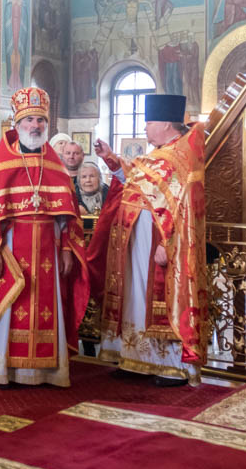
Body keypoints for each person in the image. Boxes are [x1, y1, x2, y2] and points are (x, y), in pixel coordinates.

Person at [0, 87, 88, 386]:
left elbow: (68, 215)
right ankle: (2, 368)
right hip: (10, 248)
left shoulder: (55, 164)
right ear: (17, 126)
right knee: (7, 308)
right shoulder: (0, 164)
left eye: (40, 121)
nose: (35, 126)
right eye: (29, 120)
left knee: (47, 307)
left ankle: (46, 372)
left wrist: (68, 249)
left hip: (48, 247)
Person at [87, 94, 207, 385]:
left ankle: (170, 366)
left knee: (159, 301)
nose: (145, 128)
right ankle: (135, 359)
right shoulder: (160, 154)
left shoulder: (182, 156)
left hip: (159, 244)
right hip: (133, 240)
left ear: (167, 124)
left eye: (149, 122)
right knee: (134, 297)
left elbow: (183, 208)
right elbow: (135, 179)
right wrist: (112, 159)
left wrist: (168, 244)